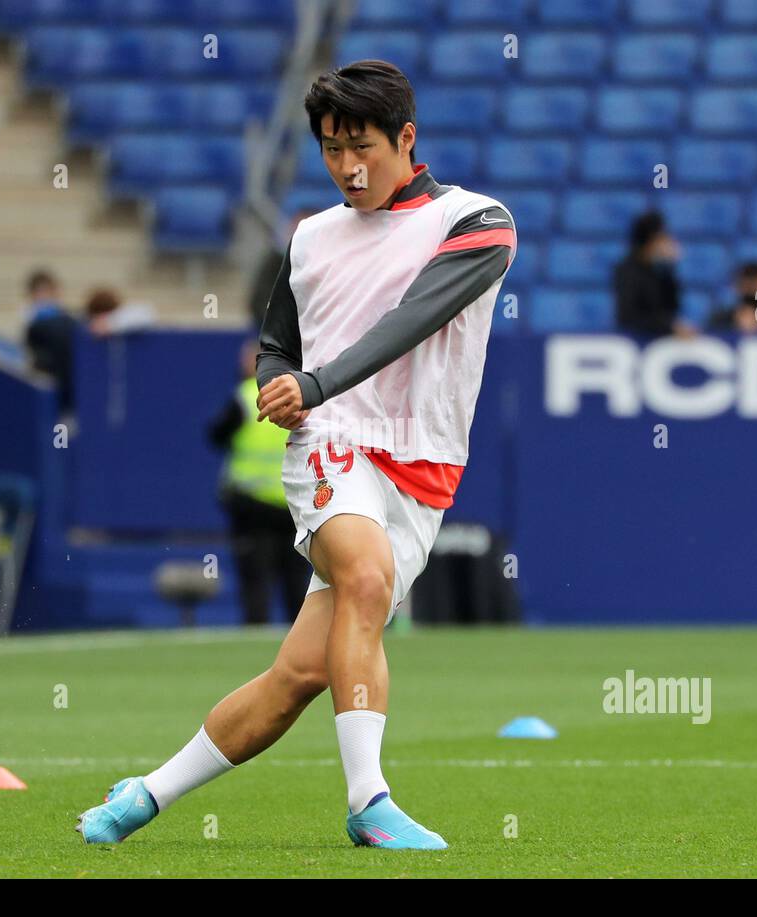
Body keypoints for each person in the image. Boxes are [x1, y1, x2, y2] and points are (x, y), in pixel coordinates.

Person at [77, 59, 515, 850]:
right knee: (367, 576)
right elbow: (276, 346)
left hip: (422, 475)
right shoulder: (310, 238)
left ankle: (144, 794)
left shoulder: (479, 224)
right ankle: (368, 801)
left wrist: (310, 378)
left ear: (406, 139)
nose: (347, 168)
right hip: (334, 446)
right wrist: (283, 383)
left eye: (363, 148)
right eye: (330, 149)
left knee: (298, 679)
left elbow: (410, 320)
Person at [206, 337, 312, 625]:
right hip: (295, 502)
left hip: (252, 504)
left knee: (255, 579)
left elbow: (215, 435)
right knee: (296, 580)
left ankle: (256, 637)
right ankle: (299, 642)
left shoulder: (243, 396)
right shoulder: (305, 394)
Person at [613, 210, 695, 339]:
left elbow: (673, 307)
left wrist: (670, 266)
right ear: (651, 240)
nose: (668, 242)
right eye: (662, 237)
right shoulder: (626, 271)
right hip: (636, 342)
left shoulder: (660, 270)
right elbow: (629, 316)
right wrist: (669, 327)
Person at [22, 269, 78, 412]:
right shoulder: (32, 318)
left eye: (48, 291)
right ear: (33, 295)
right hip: (44, 373)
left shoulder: (65, 318)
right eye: (41, 292)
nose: (45, 296)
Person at [707, 261, 757, 334]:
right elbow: (708, 338)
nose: (752, 286)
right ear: (737, 285)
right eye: (748, 281)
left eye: (756, 281)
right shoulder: (721, 319)